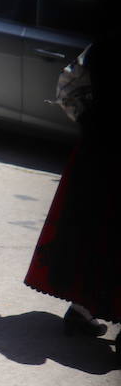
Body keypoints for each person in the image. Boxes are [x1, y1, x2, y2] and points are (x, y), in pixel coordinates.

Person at [24, 37, 119, 340]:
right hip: (101, 150)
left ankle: (82, 310)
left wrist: (93, 123)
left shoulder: (106, 44)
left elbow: (69, 86)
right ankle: (82, 310)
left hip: (99, 150)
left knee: (92, 227)